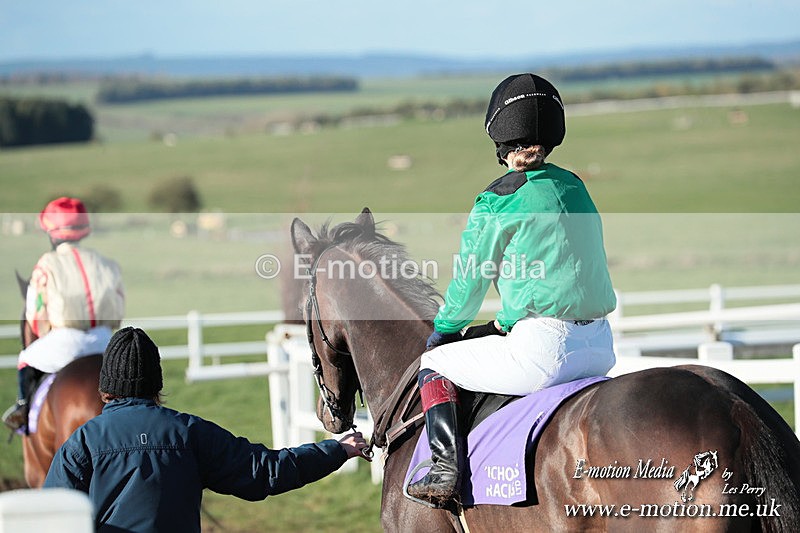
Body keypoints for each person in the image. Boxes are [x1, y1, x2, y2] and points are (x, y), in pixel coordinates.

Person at [406, 73, 617, 507]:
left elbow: (470, 281)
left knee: (435, 365)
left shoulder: (499, 199)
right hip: (599, 345)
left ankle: (444, 472)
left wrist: (446, 329)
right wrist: (502, 322)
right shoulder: (573, 185)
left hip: (546, 350)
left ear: (499, 140)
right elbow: (566, 270)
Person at [44, 326, 370, 532]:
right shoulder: (188, 432)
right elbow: (266, 471)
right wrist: (336, 450)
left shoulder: (83, 443)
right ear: (155, 383)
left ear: (106, 387)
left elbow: (51, 518)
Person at [3, 197, 125, 431]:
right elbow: (118, 304)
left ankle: (22, 408)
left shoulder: (47, 263)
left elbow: (36, 314)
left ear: (52, 231)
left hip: (66, 341)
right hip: (105, 340)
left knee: (25, 357)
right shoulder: (106, 263)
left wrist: (43, 332)